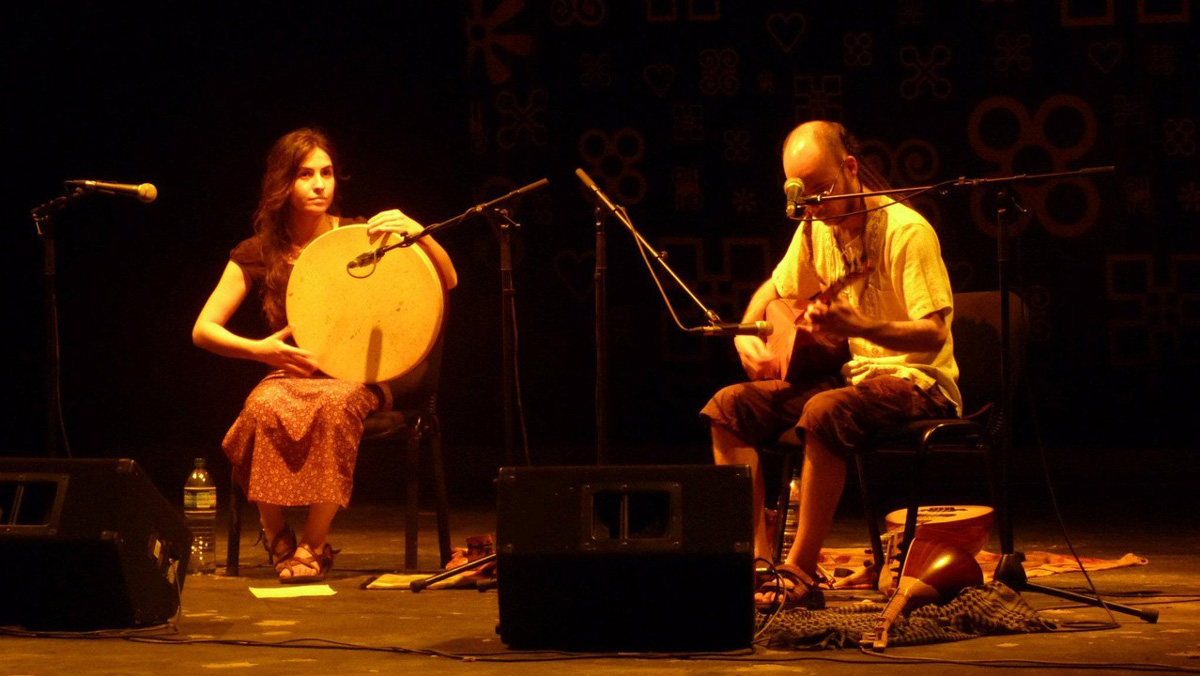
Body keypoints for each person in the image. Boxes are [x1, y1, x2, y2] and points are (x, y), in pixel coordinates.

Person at [700, 120, 960, 610]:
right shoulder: (816, 229)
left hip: (919, 382)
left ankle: (798, 572)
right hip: (855, 380)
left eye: (822, 190)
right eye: (803, 196)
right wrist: (745, 333)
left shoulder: (908, 232)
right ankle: (759, 564)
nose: (814, 207)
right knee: (729, 407)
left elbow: (934, 334)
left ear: (851, 167)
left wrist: (858, 326)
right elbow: (776, 286)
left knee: (824, 411)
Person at [193, 128, 457, 583]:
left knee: (334, 406)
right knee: (260, 406)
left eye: (327, 173)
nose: (319, 184)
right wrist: (259, 350)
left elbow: (448, 280)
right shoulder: (258, 251)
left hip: (360, 375)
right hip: (297, 374)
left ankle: (314, 544)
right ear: (282, 183)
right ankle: (276, 533)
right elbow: (203, 330)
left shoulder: (361, 236)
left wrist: (419, 233)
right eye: (305, 175)